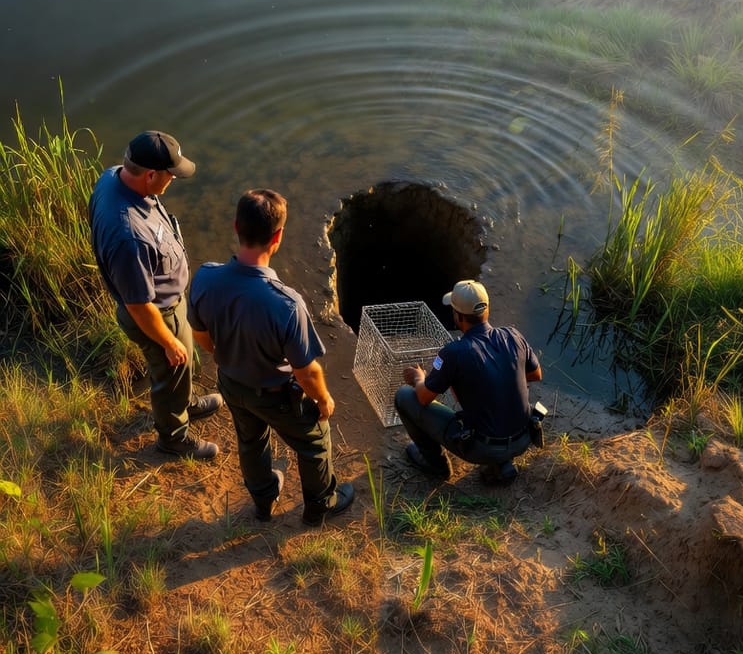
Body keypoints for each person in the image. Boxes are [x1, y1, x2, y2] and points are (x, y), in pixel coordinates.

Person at [187, 188, 355, 525]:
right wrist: (323, 399)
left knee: (250, 441)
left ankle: (263, 502)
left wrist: (226, 354)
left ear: (236, 226)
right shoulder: (287, 304)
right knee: (315, 443)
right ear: (277, 238)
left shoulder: (205, 277)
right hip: (277, 396)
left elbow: (200, 334)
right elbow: (307, 371)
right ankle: (320, 506)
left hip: (231, 384)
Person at [89, 130, 222, 460]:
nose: (174, 179)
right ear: (150, 175)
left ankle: (187, 402)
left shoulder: (113, 176)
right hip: (156, 315)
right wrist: (168, 342)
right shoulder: (128, 236)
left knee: (181, 366)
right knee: (170, 369)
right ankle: (173, 438)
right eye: (170, 174)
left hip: (168, 305)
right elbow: (138, 305)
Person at [394, 280, 543, 485]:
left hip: (483, 448)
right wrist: (498, 379)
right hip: (524, 438)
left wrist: (419, 377)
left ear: (458, 316)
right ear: (487, 309)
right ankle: (502, 464)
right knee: (497, 408)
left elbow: (424, 397)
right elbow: (536, 374)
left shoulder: (454, 353)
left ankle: (435, 464)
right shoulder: (513, 335)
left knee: (404, 396)